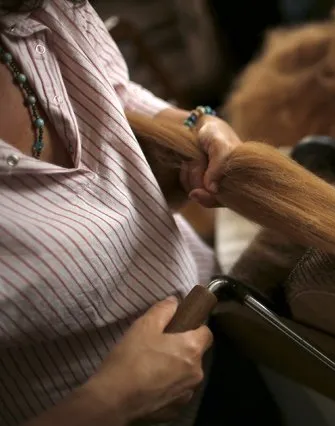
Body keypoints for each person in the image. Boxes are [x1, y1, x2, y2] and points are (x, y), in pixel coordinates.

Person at [0, 0, 248, 424]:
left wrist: (195, 125)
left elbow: (111, 91)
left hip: (212, 328)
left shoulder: (38, 10)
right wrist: (111, 403)